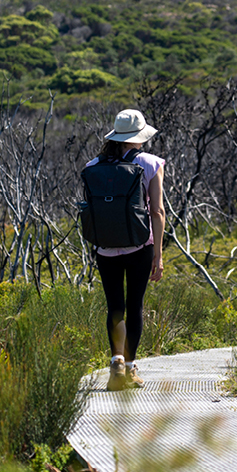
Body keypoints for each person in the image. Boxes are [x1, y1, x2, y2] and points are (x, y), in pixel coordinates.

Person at [85, 109, 165, 391]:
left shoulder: (93, 164)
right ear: (139, 137)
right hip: (140, 245)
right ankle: (130, 369)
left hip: (106, 247)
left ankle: (115, 366)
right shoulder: (151, 163)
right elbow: (157, 211)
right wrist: (158, 254)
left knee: (115, 306)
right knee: (135, 306)